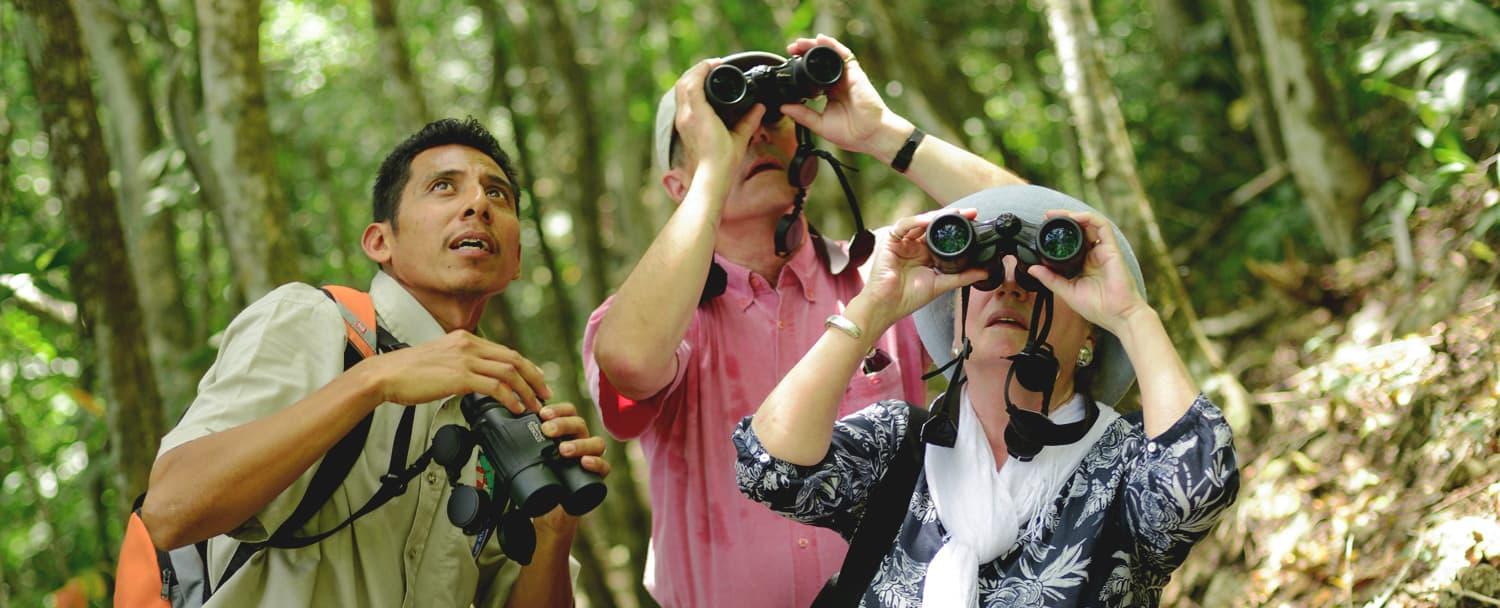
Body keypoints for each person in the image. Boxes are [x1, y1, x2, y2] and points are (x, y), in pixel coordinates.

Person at [584, 34, 1025, 607]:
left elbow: (1039, 231)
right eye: (730, 124)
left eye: (772, 117)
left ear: (808, 157)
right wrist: (714, 171)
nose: (757, 133)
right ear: (677, 185)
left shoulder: (890, 278)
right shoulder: (660, 316)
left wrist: (885, 135)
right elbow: (631, 361)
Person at [139, 118, 609, 607]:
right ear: (380, 242)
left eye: (498, 195)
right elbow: (172, 511)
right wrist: (373, 380)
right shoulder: (313, 322)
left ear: (515, 261)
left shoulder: (510, 411)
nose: (477, 205)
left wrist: (554, 529)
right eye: (443, 187)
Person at [736, 185, 1240, 606]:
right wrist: (874, 305)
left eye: (1041, 278)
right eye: (987, 275)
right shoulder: (898, 444)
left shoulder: (1126, 460)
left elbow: (1197, 488)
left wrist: (1132, 314)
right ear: (956, 324)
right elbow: (768, 468)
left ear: (1091, 335)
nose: (1010, 289)